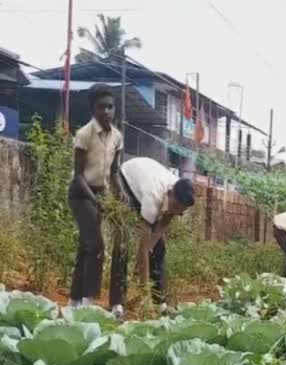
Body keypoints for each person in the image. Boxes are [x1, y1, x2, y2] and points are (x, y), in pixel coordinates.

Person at [110, 157, 196, 316]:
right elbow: (143, 246)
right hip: (127, 180)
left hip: (148, 177)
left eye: (180, 211)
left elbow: (161, 227)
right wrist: (144, 295)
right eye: (175, 206)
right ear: (170, 194)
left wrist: (147, 252)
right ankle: (117, 304)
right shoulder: (154, 196)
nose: (176, 212)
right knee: (123, 242)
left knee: (159, 248)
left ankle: (160, 302)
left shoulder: (179, 194)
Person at [69, 84, 125, 308]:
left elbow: (114, 173)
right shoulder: (84, 134)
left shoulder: (117, 137)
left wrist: (120, 193)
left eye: (110, 107)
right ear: (93, 108)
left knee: (86, 247)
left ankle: (74, 302)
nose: (107, 112)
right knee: (97, 246)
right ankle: (88, 301)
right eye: (102, 107)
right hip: (81, 194)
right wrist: (95, 201)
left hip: (100, 195)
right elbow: (78, 176)